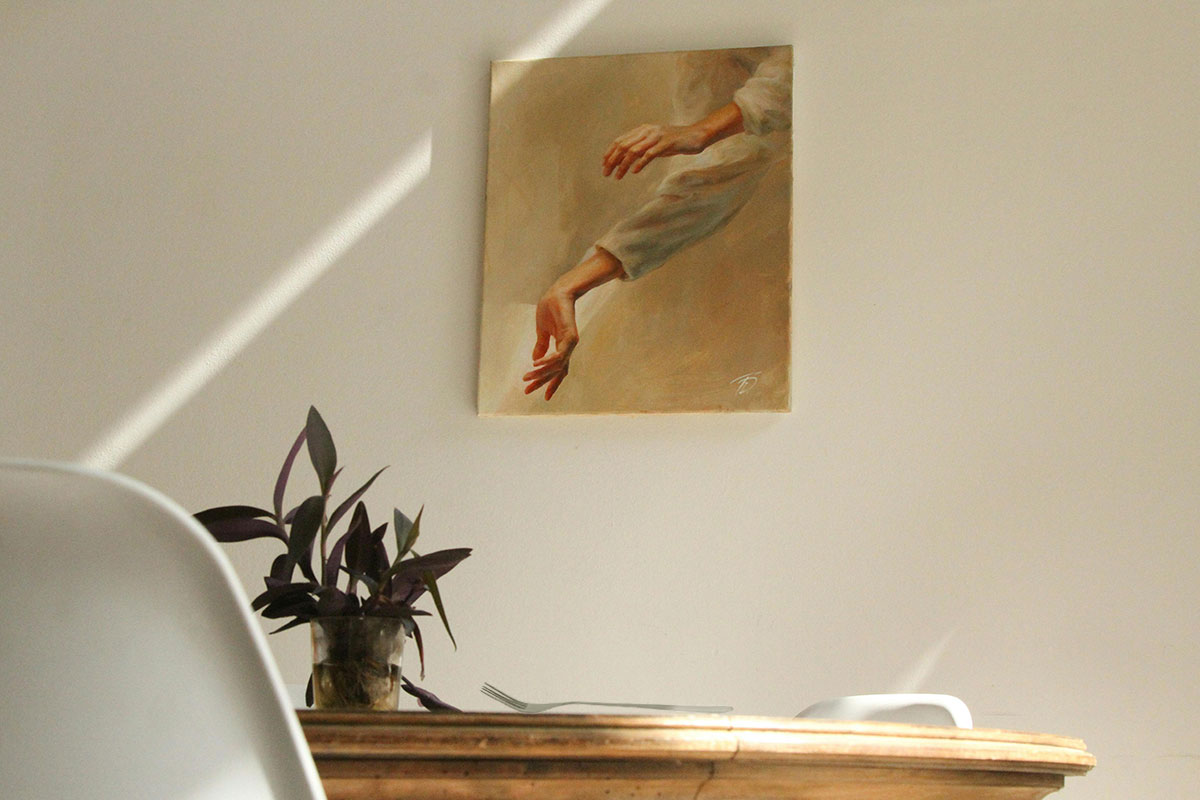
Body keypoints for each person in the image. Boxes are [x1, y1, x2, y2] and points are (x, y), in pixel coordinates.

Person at [523, 46, 792, 400]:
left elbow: (787, 80)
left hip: (752, 272)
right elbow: (705, 178)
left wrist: (701, 132)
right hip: (690, 262)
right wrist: (569, 285)